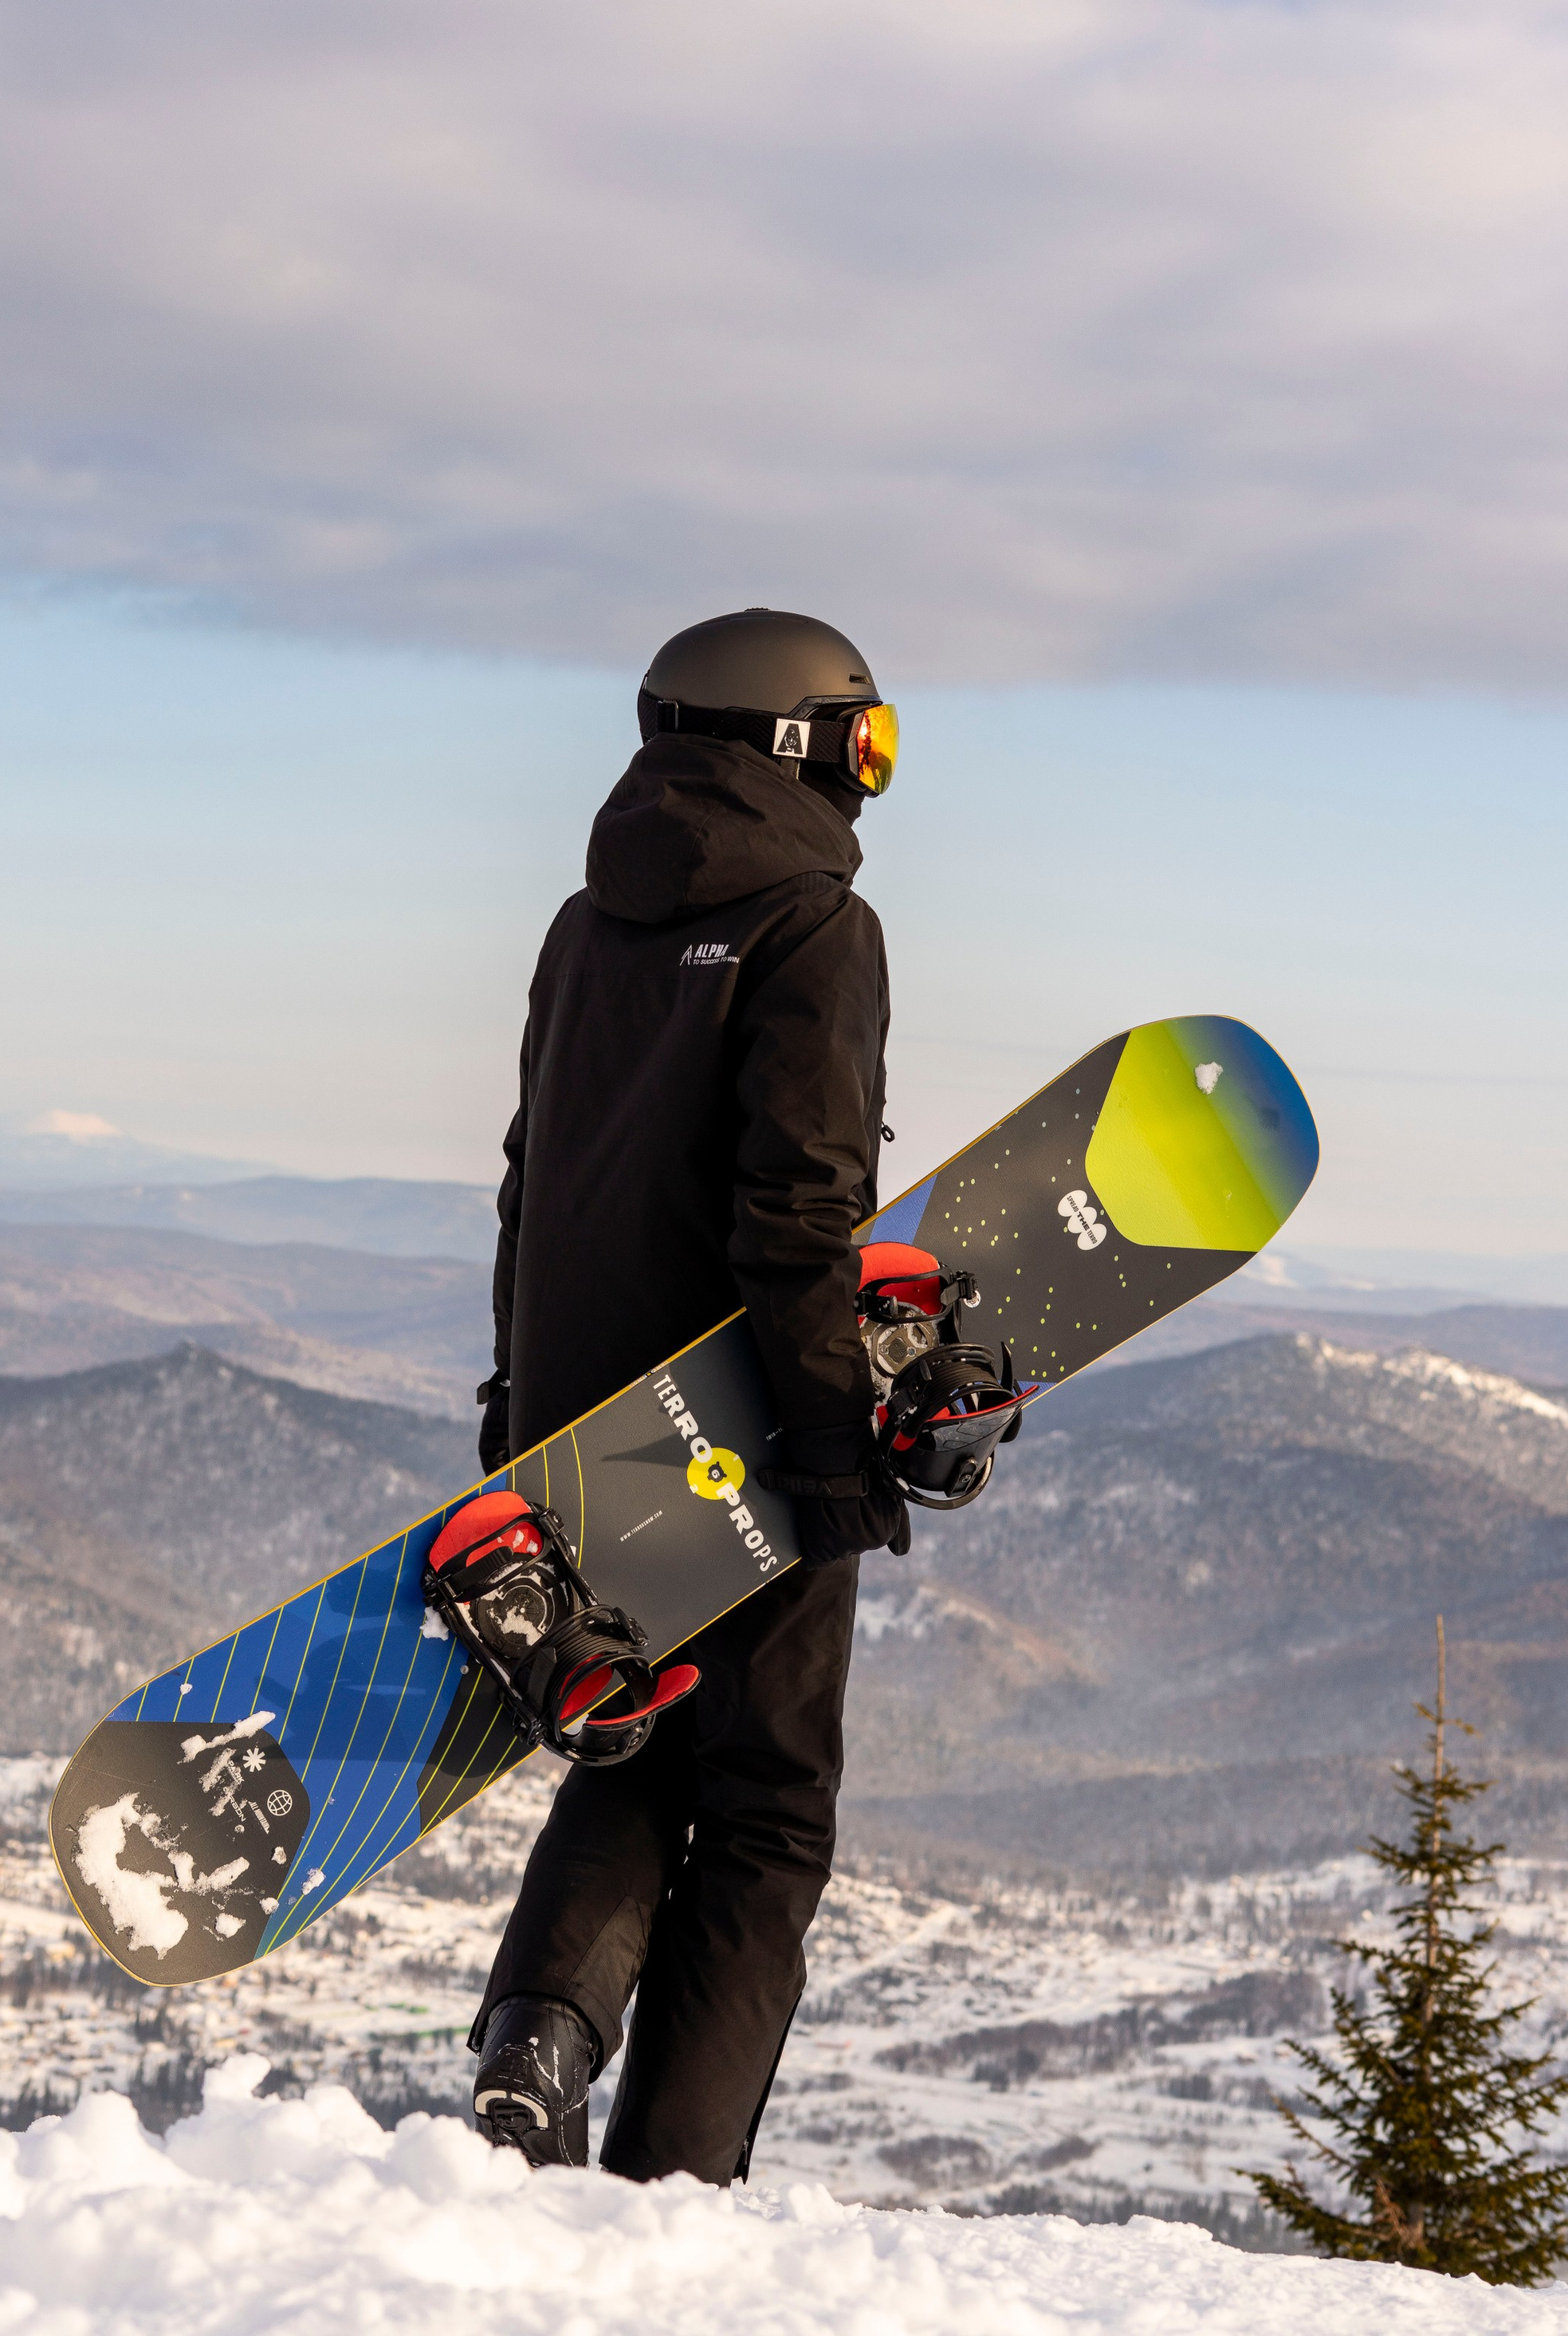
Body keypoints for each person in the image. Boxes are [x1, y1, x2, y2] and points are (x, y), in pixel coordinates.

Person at [466, 605, 905, 2185]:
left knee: (637, 1746)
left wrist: (517, 1410)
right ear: (793, 742)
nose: (871, 774)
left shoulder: (581, 930)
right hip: (741, 1427)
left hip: (581, 1427)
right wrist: (836, 1442)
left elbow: (531, 1182)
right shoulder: (815, 929)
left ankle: (538, 2038)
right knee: (768, 1809)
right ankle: (672, 2183)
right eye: (867, 742)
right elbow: (798, 1214)